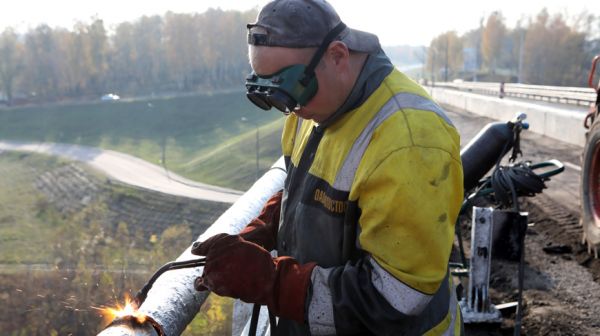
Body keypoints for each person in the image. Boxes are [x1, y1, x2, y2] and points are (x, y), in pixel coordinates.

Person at [191, 0, 464, 334]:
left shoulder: (410, 142)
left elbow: (397, 299)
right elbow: (302, 188)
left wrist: (270, 282)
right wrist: (266, 227)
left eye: (292, 87)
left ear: (337, 56)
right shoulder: (311, 107)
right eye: (274, 93)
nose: (289, 107)